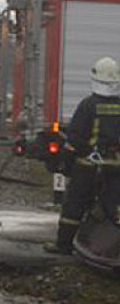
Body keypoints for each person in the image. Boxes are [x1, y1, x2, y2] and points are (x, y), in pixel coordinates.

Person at [44, 56, 120, 255]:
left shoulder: (88, 105)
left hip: (89, 166)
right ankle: (105, 248)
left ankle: (64, 245)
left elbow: (75, 139)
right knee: (112, 208)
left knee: (74, 205)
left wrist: (65, 163)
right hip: (116, 168)